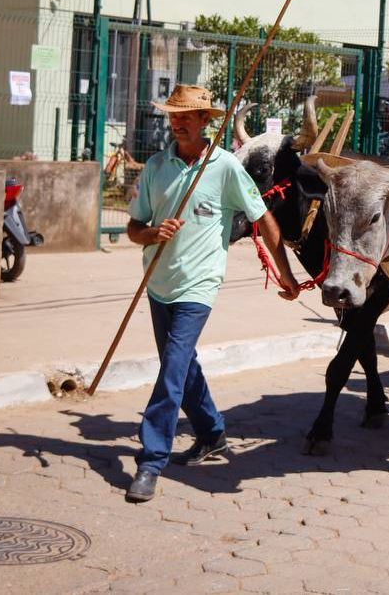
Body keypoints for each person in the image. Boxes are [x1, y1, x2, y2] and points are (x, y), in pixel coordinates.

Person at [124, 84, 300, 503]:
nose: (178, 122)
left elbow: (263, 220)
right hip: (158, 282)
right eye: (173, 115)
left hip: (199, 285)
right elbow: (134, 228)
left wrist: (286, 275)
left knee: (171, 369)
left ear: (207, 122)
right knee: (182, 368)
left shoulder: (223, 168)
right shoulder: (156, 167)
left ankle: (151, 461)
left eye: (187, 115)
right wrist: (151, 233)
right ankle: (212, 434)